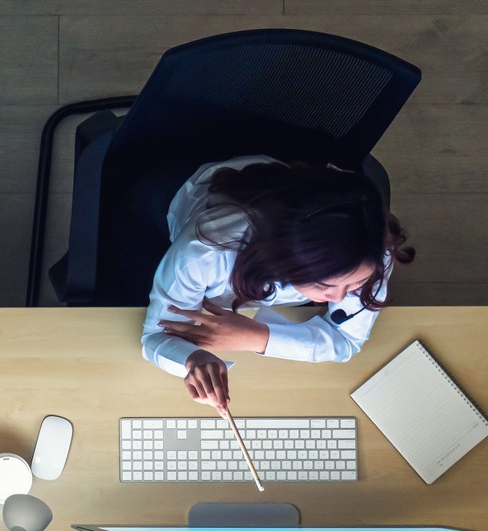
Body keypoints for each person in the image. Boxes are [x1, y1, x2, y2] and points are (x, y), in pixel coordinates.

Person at [143, 156, 414, 410]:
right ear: (285, 259)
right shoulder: (206, 251)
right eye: (323, 287)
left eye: (354, 285)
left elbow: (346, 340)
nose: (339, 299)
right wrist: (193, 359)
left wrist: (257, 337)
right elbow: (155, 335)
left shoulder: (371, 246)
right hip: (180, 192)